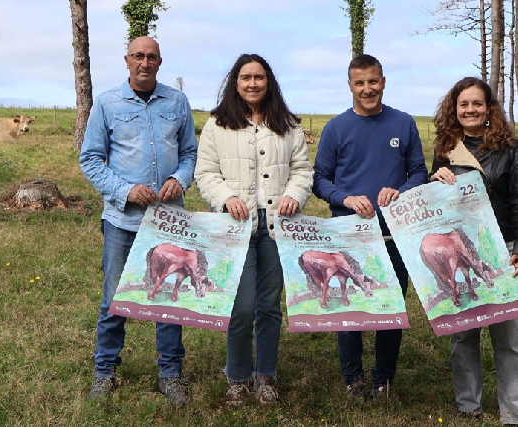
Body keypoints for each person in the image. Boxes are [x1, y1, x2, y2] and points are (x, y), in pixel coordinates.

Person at [79, 36, 197, 406]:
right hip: (122, 220)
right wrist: (124, 190)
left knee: (169, 296)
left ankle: (170, 374)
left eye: (152, 57)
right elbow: (91, 159)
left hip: (168, 220)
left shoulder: (177, 102)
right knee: (115, 296)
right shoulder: (107, 103)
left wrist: (180, 178)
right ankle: (105, 371)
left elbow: (190, 152)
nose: (145, 62)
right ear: (127, 61)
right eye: (138, 56)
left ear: (159, 62)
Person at [194, 53, 314, 405]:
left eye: (259, 77)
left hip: (278, 227)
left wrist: (293, 195)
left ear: (269, 81)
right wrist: (226, 197)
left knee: (269, 306)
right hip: (236, 227)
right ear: (235, 82)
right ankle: (237, 377)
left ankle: (265, 377)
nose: (252, 83)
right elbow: (206, 173)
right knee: (241, 306)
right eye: (245, 77)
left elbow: (302, 170)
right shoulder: (217, 125)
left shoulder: (287, 125)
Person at [312, 54, 428, 402]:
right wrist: (345, 199)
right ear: (350, 87)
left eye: (373, 81)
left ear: (383, 81)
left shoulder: (404, 123)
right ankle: (353, 378)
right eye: (360, 83)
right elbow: (319, 179)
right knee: (348, 307)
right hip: (348, 233)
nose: (368, 89)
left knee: (390, 307)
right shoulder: (336, 128)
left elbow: (419, 171)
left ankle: (383, 379)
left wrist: (401, 190)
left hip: (393, 234)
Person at [430, 76, 518, 425]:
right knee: (463, 335)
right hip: (457, 248)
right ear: (455, 109)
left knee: (509, 337)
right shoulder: (445, 149)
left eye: (477, 104)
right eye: (463, 104)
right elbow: (431, 205)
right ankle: (469, 407)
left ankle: (512, 411)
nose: (470, 109)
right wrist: (435, 179)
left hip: (502, 249)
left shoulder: (510, 150)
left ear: (488, 109)